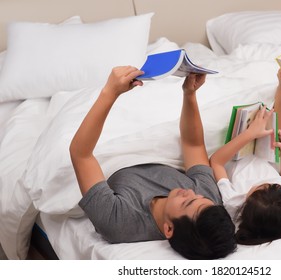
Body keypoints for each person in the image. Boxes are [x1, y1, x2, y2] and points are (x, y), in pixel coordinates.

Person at [69, 66, 236, 259]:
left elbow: (81, 154)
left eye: (187, 201)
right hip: (155, 139)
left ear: (168, 229)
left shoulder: (121, 222)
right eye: (198, 197)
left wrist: (110, 92)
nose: (191, 192)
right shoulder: (207, 202)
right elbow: (193, 144)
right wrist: (189, 93)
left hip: (111, 150)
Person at [210, 70, 281, 245]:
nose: (268, 183)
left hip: (236, 151)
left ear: (246, 204)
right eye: (274, 185)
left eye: (259, 188)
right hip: (266, 154)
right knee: (278, 132)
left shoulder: (233, 203)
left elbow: (216, 162)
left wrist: (249, 135)